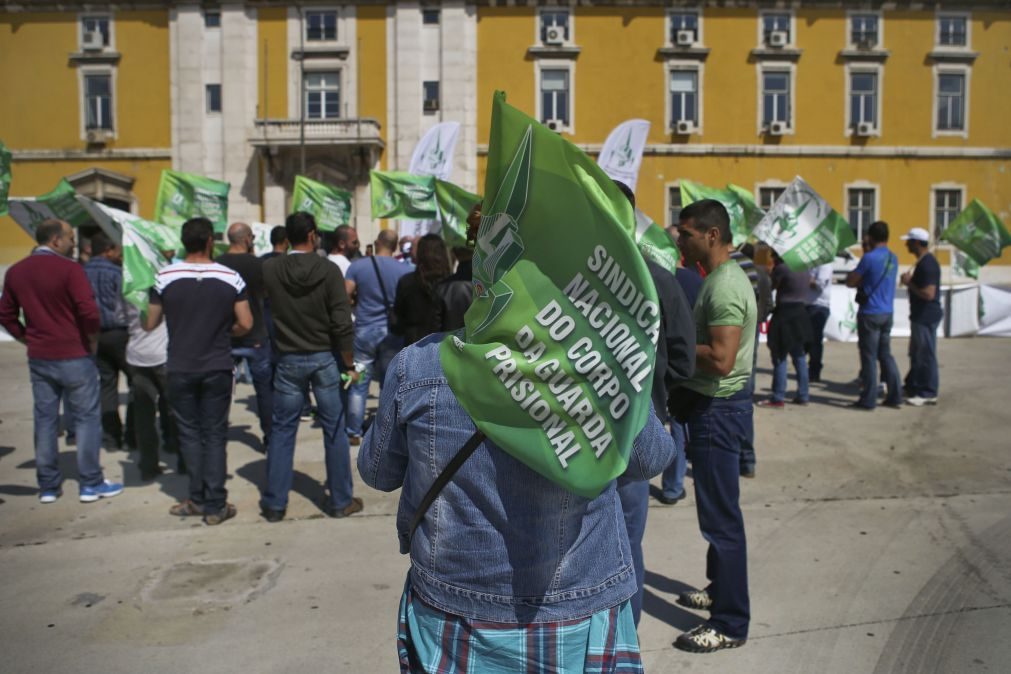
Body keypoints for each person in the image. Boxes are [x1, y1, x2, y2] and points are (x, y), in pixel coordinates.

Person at [358, 335, 675, 671]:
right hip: (577, 608)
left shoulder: (418, 364)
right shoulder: (598, 361)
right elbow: (652, 458)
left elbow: (377, 473)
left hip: (453, 607)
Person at [672, 199, 757, 653]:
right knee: (720, 513)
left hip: (718, 411)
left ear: (710, 235)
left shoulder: (724, 286)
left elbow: (722, 360)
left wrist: (678, 344)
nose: (678, 239)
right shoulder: (720, 279)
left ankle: (729, 622)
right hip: (717, 409)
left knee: (721, 521)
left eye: (685, 232)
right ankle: (720, 590)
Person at [610, 180, 696, 626]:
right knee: (625, 541)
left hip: (581, 430)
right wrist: (660, 405)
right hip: (639, 428)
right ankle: (624, 642)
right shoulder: (659, 278)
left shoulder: (560, 282)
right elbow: (683, 360)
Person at [0, 219, 123, 503]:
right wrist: (91, 338)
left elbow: (5, 314)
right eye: (70, 237)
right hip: (74, 353)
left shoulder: (17, 272)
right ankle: (90, 482)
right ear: (55, 240)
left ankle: (48, 486)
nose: (74, 243)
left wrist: (25, 338)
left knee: (45, 420)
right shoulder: (70, 269)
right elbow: (88, 311)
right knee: (86, 419)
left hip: (40, 356)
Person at [146, 217, 253, 526]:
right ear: (210, 241)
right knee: (215, 434)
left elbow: (150, 322)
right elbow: (246, 323)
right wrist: (221, 331)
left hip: (179, 365)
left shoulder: (164, 276)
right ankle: (216, 504)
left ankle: (197, 497)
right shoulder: (230, 277)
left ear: (183, 241)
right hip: (217, 364)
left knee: (189, 435)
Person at [259, 212, 362, 521]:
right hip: (324, 357)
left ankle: (275, 503)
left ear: (288, 236)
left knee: (282, 430)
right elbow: (341, 321)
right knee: (334, 429)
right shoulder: (327, 269)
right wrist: (349, 362)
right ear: (313, 234)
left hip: (289, 356)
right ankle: (341, 500)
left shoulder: (270, 268)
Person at [344, 229, 411, 444]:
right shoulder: (404, 270)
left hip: (364, 331)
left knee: (359, 382)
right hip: (391, 333)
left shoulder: (358, 266)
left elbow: (345, 296)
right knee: (389, 383)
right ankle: (386, 430)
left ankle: (354, 431)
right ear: (395, 247)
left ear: (376, 242)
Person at [217, 222, 273, 450]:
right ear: (248, 239)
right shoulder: (259, 265)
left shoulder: (217, 264)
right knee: (264, 390)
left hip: (225, 334)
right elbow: (268, 294)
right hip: (256, 333)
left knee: (221, 391)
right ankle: (269, 436)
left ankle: (217, 434)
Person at [84, 231, 134, 451]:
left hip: (95, 335)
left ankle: (111, 438)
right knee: (137, 383)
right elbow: (127, 304)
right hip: (119, 333)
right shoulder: (117, 272)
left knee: (107, 386)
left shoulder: (81, 273)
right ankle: (133, 436)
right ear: (108, 250)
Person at [846, 221, 903, 410]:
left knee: (869, 357)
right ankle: (895, 395)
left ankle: (868, 398)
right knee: (886, 355)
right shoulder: (893, 258)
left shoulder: (869, 258)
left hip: (870, 312)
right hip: (887, 311)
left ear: (870, 236)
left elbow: (852, 281)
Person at [659, 262, 703, 505]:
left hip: (650, 368)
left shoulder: (645, 273)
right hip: (680, 367)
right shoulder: (694, 281)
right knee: (676, 425)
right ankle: (672, 487)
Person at [125, 300, 179, 481]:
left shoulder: (128, 291)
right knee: (175, 410)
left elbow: (119, 317)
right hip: (163, 354)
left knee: (143, 416)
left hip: (137, 355)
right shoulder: (162, 292)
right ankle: (184, 459)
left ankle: (148, 465)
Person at [758, 252, 812, 407]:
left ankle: (778, 396)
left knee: (780, 355)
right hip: (800, 312)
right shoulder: (804, 268)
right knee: (799, 356)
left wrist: (768, 272)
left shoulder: (783, 268)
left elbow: (771, 285)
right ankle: (803, 394)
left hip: (785, 314)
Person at [900, 227, 942, 406]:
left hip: (926, 315)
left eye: (909, 241)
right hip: (920, 315)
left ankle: (928, 392)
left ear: (917, 243)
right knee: (917, 353)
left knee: (925, 354)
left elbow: (929, 294)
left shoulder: (928, 264)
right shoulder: (924, 262)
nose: (906, 244)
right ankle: (914, 385)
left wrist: (910, 284)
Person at [392, 233, 452, 345]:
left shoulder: (406, 282)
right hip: (445, 349)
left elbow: (397, 325)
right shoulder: (452, 284)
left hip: (414, 347)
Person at [806, 261, 834, 382]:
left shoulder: (824, 265)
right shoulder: (809, 264)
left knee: (815, 341)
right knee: (806, 340)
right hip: (807, 304)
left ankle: (814, 371)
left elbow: (820, 285)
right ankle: (809, 369)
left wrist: (806, 280)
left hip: (819, 306)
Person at [434, 246, 474, 331]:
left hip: (448, 341)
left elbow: (434, 326)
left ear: (454, 253)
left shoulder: (442, 286)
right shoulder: (491, 282)